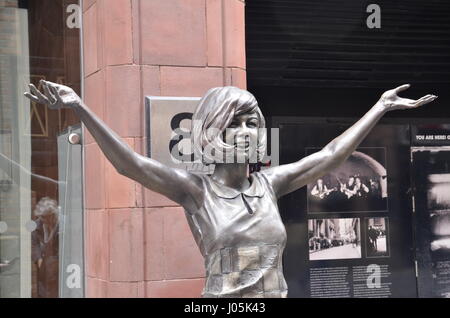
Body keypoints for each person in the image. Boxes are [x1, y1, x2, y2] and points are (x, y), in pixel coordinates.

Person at [24, 81, 436, 298]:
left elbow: (329, 155)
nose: (244, 131)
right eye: (233, 122)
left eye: (251, 122)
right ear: (212, 129)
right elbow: (128, 164)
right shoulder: (195, 191)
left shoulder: (270, 185)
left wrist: (379, 108)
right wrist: (80, 107)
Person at [31, 197, 60, 298]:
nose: (42, 220)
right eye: (41, 217)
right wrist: (38, 258)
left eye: (45, 217)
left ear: (52, 215)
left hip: (58, 267)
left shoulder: (61, 225)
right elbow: (34, 244)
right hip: (44, 267)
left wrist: (55, 262)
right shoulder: (37, 225)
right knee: (43, 293)